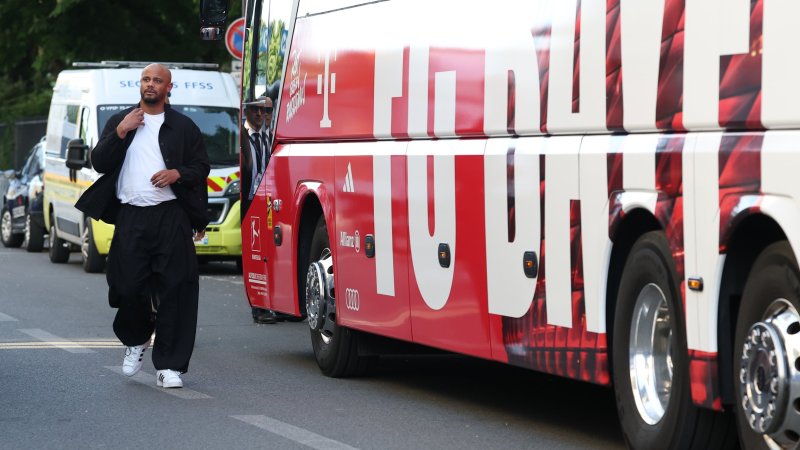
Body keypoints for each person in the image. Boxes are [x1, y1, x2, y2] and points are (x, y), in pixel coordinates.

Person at [75, 63, 210, 389]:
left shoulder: (183, 127)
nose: (150, 85)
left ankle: (169, 365)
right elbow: (100, 162)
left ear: (168, 88)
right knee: (126, 286)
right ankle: (136, 339)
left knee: (177, 288)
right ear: (141, 85)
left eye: (157, 81)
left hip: (171, 215)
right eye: (146, 79)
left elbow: (201, 166)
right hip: (131, 217)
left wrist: (177, 174)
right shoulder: (122, 121)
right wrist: (121, 131)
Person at [241, 95, 283, 325]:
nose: (261, 115)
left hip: (269, 201)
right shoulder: (241, 137)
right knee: (255, 253)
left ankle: (277, 304)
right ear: (246, 111)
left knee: (272, 253)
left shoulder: (270, 137)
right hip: (249, 202)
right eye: (257, 110)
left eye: (266, 111)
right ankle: (259, 306)